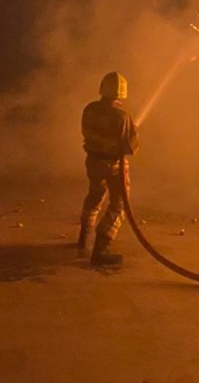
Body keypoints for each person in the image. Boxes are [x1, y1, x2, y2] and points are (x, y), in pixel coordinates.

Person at [79, 71, 140, 267]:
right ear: (122, 93)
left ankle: (84, 238)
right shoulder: (122, 117)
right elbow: (131, 148)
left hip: (92, 162)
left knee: (95, 196)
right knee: (119, 205)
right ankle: (101, 250)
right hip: (113, 166)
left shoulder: (89, 110)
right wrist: (134, 132)